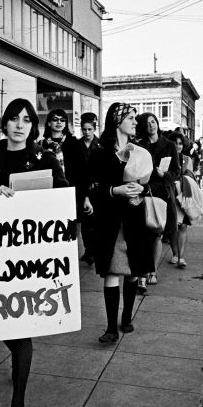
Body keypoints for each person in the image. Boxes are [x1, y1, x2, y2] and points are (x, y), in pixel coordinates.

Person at [0, 98, 67, 407]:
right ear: (5, 123)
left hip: (31, 259)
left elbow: (63, 195)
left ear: (33, 126)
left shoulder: (44, 157)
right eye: (14, 118)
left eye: (26, 119)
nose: (20, 124)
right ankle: (17, 361)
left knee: (21, 330)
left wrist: (52, 194)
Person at [88, 103, 154, 342]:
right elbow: (92, 187)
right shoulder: (100, 151)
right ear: (117, 121)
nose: (136, 122)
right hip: (111, 221)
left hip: (135, 219)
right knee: (113, 272)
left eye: (136, 118)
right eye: (131, 118)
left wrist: (143, 187)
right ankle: (110, 328)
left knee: (134, 271)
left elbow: (150, 183)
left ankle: (126, 317)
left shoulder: (140, 151)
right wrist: (114, 191)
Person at [135, 113, 180, 288]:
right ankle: (143, 274)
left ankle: (152, 270)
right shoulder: (140, 146)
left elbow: (177, 171)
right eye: (147, 123)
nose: (151, 125)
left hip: (161, 194)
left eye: (153, 121)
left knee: (156, 234)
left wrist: (165, 175)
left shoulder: (169, 145)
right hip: (143, 192)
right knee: (143, 235)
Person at [62, 113, 97, 265]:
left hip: (96, 187)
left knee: (94, 221)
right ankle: (89, 250)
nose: (87, 132)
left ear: (94, 129)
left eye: (90, 129)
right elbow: (73, 167)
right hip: (81, 186)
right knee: (84, 221)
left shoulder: (100, 145)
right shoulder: (76, 145)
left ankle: (92, 251)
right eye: (84, 129)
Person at [166, 132, 193, 268]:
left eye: (180, 143)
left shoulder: (187, 159)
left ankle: (181, 257)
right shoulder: (166, 159)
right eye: (175, 143)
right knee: (172, 227)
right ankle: (175, 254)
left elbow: (190, 177)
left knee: (182, 225)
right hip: (168, 195)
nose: (178, 146)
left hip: (183, 196)